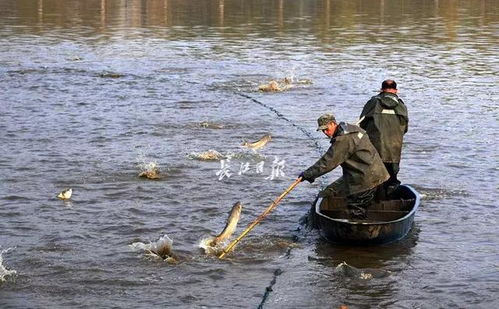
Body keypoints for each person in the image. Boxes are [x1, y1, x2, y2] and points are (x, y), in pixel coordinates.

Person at [299, 113, 390, 219]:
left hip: (366, 177)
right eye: (322, 130)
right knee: (329, 192)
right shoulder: (352, 129)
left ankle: (358, 230)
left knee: (356, 209)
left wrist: (308, 174)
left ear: (333, 124)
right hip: (378, 173)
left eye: (326, 129)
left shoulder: (343, 140)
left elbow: (327, 162)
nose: (325, 133)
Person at [359, 80, 408, 194]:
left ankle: (370, 199)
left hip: (375, 147)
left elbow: (362, 125)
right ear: (396, 91)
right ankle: (389, 197)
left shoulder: (373, 102)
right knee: (392, 179)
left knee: (372, 177)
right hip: (394, 148)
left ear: (381, 90)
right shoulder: (401, 105)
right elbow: (405, 128)